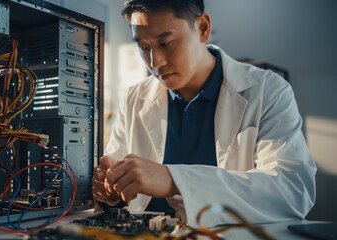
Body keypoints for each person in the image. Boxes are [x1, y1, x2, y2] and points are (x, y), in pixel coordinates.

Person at [92, 0, 316, 227]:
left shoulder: (267, 90)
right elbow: (118, 184)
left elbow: (291, 192)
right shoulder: (133, 99)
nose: (155, 62)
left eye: (166, 43)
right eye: (144, 47)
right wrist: (110, 192)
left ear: (202, 28)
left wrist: (174, 180)